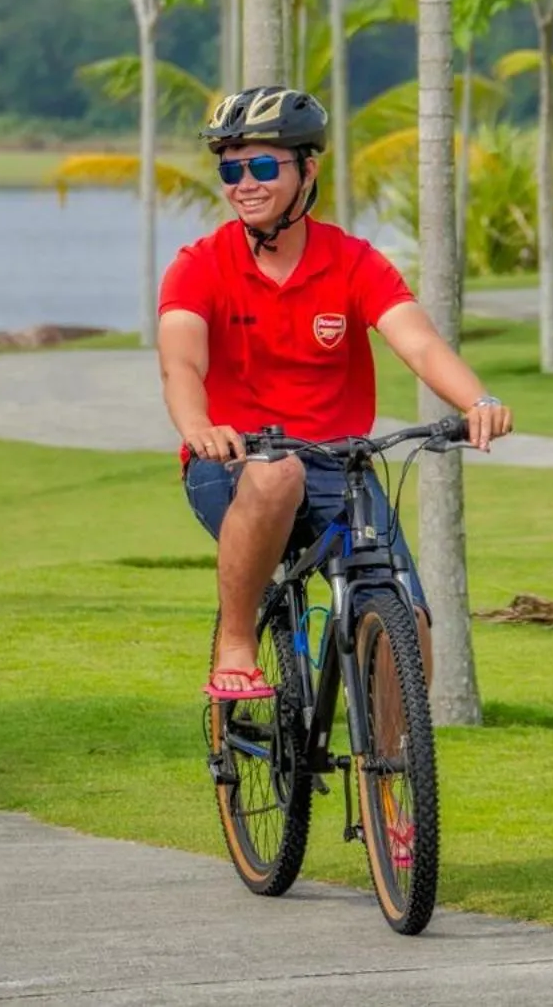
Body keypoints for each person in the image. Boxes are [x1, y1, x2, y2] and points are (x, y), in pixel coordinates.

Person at [156, 87, 514, 700]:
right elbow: (181, 363)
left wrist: (476, 402)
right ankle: (236, 644)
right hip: (234, 462)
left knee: (409, 630)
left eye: (263, 166)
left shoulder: (352, 261)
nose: (245, 182)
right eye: (231, 169)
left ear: (307, 170)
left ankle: (390, 780)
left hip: (338, 464)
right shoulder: (200, 264)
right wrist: (198, 427)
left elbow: (421, 344)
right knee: (276, 476)